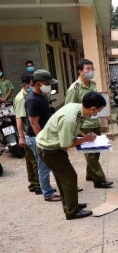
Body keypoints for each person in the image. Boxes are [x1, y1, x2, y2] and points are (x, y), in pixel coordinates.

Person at [36, 91, 107, 220]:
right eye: (99, 110)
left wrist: (82, 136)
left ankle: (71, 204)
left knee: (63, 178)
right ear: (93, 109)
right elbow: (66, 143)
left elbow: (73, 130)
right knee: (69, 177)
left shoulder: (77, 108)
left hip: (51, 147)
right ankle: (72, 211)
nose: (98, 113)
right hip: (50, 150)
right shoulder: (70, 119)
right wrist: (85, 139)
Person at [65, 58, 113, 189]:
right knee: (91, 153)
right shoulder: (74, 88)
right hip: (84, 125)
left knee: (96, 150)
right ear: (80, 71)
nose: (90, 71)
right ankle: (99, 179)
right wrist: (75, 127)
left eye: (92, 69)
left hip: (94, 121)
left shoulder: (93, 84)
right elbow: (69, 108)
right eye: (87, 69)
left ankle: (90, 174)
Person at [25, 69, 61, 202]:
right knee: (43, 166)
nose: (49, 85)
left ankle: (51, 188)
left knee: (48, 163)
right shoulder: (32, 100)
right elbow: (34, 123)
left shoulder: (41, 96)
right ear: (39, 83)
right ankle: (48, 193)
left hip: (43, 135)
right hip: (36, 137)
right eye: (47, 83)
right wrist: (42, 140)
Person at [13, 74, 41, 194]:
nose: (33, 86)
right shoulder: (21, 98)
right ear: (25, 85)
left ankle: (33, 184)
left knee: (30, 159)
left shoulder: (28, 95)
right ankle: (38, 185)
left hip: (28, 133)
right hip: (28, 133)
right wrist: (21, 137)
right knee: (35, 160)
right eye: (31, 84)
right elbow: (19, 119)